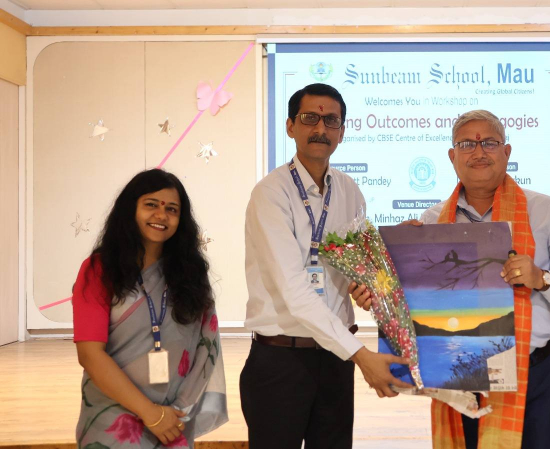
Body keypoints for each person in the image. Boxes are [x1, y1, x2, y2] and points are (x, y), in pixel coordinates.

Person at [359, 109, 550, 448]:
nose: (479, 152)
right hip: (456, 376)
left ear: (507, 152)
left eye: (489, 143)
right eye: (467, 144)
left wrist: (541, 278)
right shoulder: (431, 222)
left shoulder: (543, 211)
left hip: (533, 375)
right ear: (452, 156)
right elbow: (411, 308)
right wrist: (391, 275)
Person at [240, 83, 411, 449]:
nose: (321, 128)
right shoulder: (271, 194)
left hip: (335, 359)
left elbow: (352, 267)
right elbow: (294, 290)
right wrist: (362, 356)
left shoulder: (349, 191)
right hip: (281, 361)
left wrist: (366, 284)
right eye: (309, 118)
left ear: (342, 131)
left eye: (331, 120)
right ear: (290, 126)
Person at [72, 169, 227, 448]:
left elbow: (206, 347)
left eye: (172, 209)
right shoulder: (100, 270)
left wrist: (175, 411)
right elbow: (90, 355)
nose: (161, 215)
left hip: (174, 418)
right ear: (130, 209)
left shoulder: (191, 275)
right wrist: (151, 414)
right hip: (112, 417)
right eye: (151, 205)